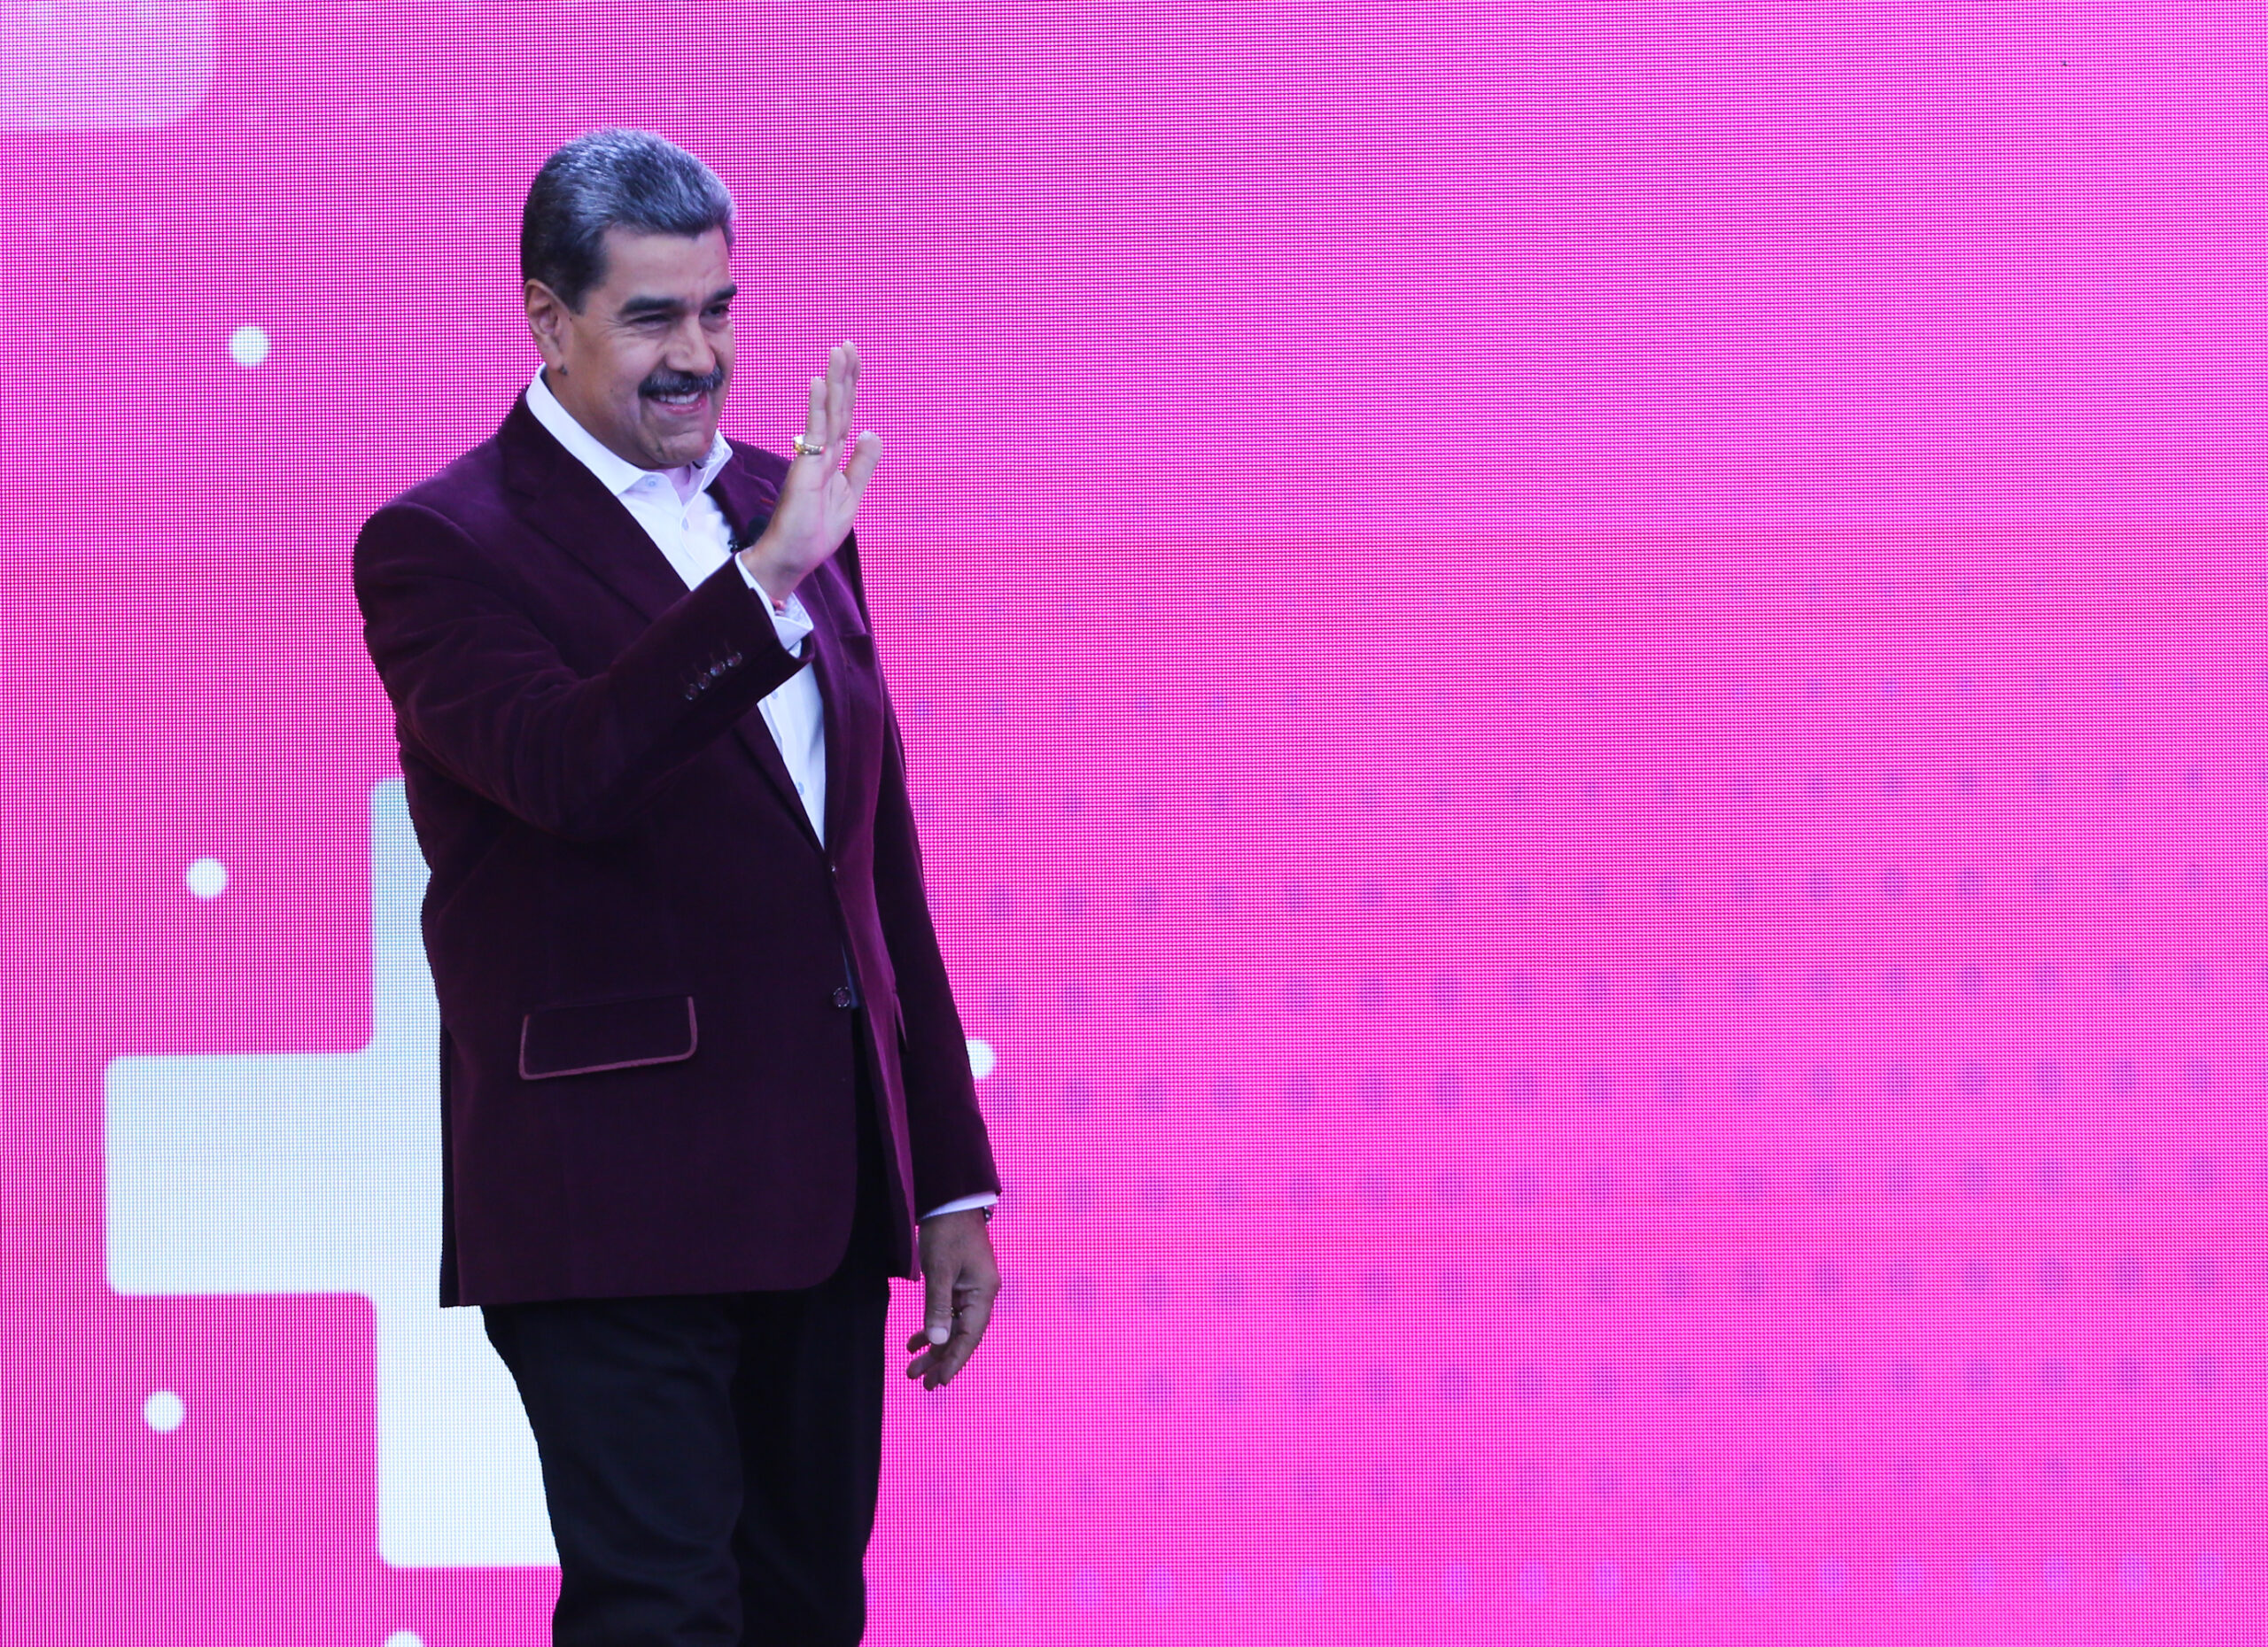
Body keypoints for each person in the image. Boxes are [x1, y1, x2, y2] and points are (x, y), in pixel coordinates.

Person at [353, 128, 1002, 1647]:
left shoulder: (784, 499)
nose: (698, 357)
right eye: (652, 318)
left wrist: (947, 1175)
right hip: (610, 1195)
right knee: (659, 1613)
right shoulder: (443, 544)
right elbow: (566, 768)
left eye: (718, 310)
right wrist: (762, 582)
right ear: (548, 316)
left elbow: (869, 858)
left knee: (804, 1610)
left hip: (822, 1186)